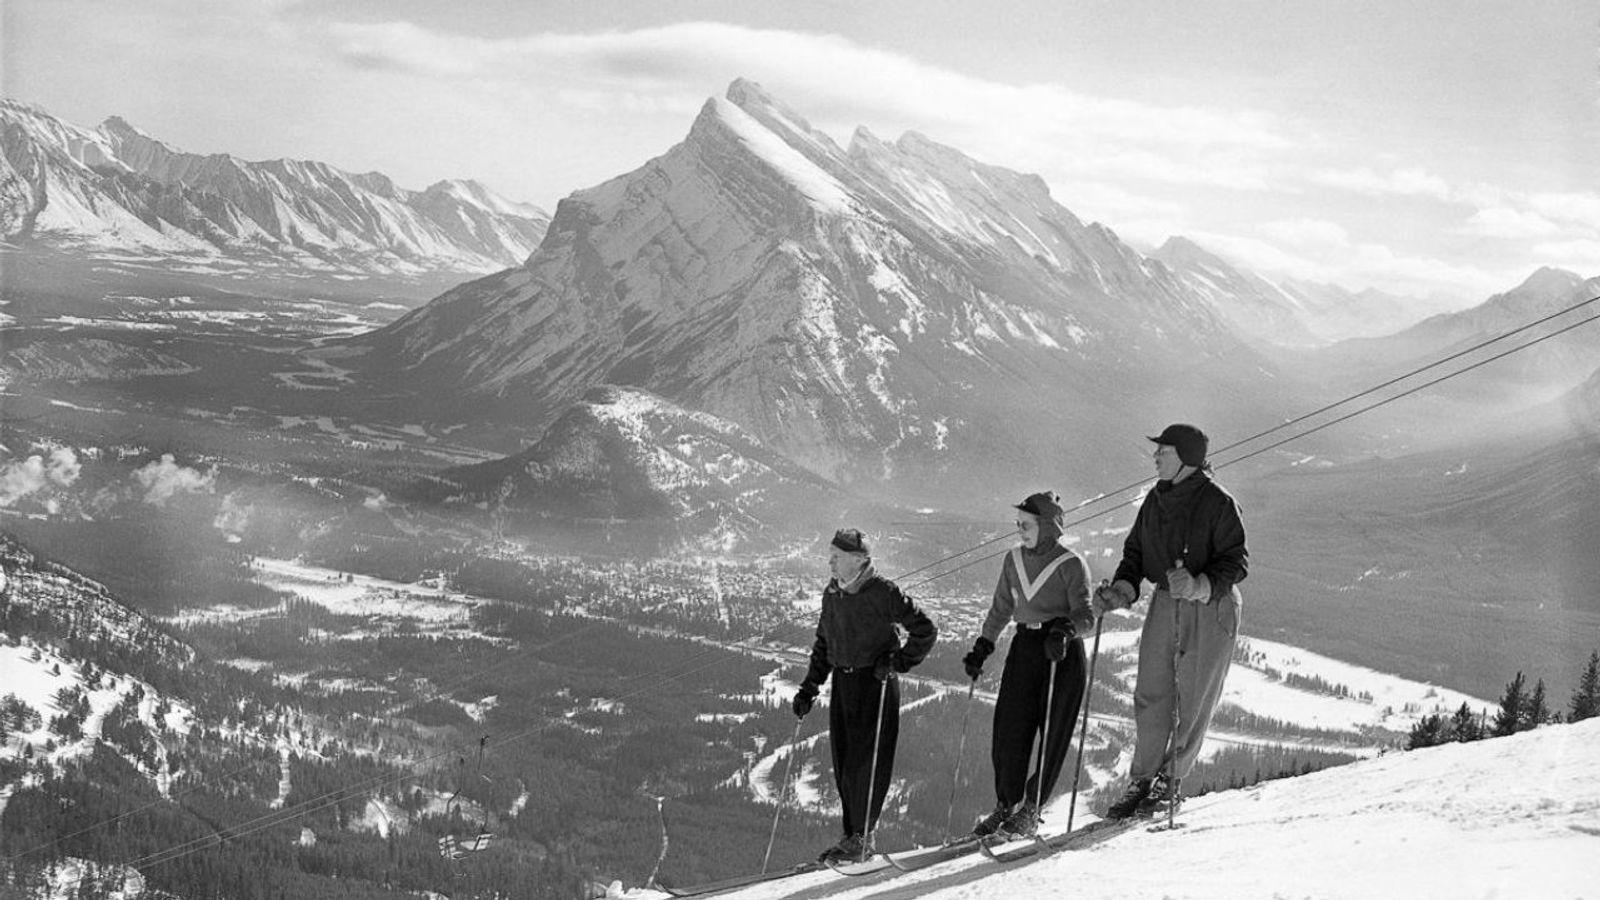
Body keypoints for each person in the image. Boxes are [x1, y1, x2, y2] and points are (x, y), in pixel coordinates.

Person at [1093, 424, 1248, 819]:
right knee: (1151, 691)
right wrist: (1122, 591)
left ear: (1186, 458)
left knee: (1194, 697)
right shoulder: (1154, 500)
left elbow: (1235, 561)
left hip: (1211, 606)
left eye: (1163, 451)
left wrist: (1199, 584)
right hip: (1166, 600)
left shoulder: (1218, 502)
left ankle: (1170, 780)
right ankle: (1142, 778)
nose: (1156, 457)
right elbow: (1135, 553)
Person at [791, 528, 938, 863]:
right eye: (830, 555)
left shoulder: (882, 592)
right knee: (844, 764)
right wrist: (809, 689)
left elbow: (925, 629)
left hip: (876, 684)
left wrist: (897, 662)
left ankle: (863, 838)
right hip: (844, 685)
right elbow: (823, 646)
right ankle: (852, 836)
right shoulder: (833, 594)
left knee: (866, 764)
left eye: (836, 556)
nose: (829, 561)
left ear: (858, 559)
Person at [961, 491, 1096, 839]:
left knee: (1052, 732)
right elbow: (1002, 606)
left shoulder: (1070, 564)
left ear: (1047, 526)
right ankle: (1006, 804)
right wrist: (984, 645)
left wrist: (1066, 630)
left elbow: (1085, 615)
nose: (1019, 530)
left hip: (1060, 653)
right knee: (1009, 729)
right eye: (1018, 524)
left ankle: (1032, 810)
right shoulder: (1014, 560)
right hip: (1025, 647)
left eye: (1026, 524)